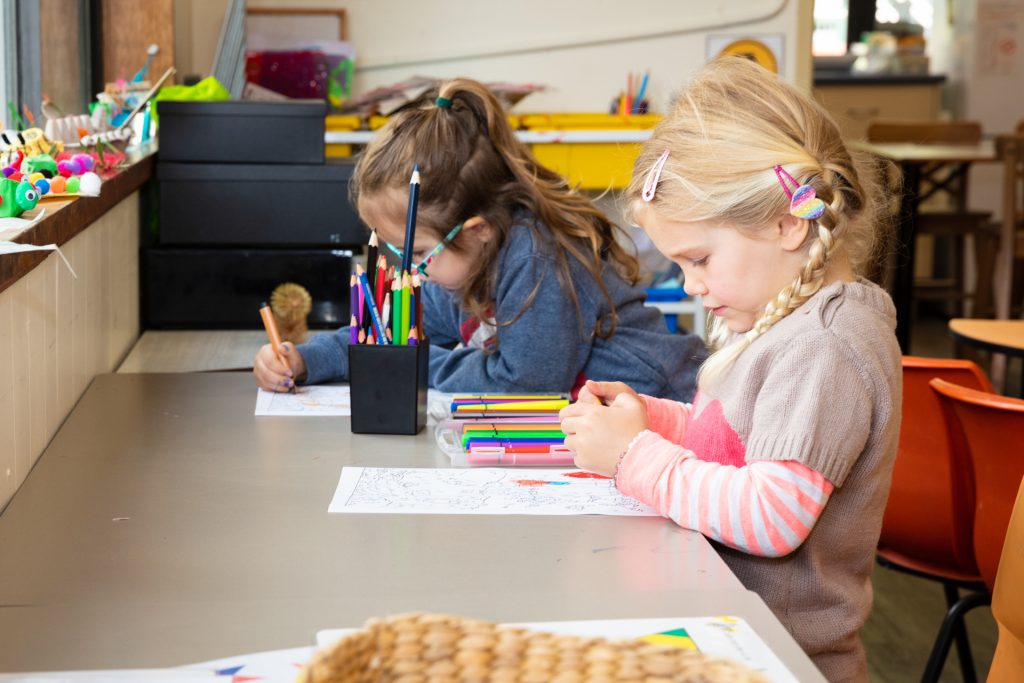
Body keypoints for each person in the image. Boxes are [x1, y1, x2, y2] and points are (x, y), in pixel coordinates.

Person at [559, 57, 900, 683]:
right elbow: (740, 444)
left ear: (786, 223)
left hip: (780, 658)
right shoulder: (783, 324)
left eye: (700, 259)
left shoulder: (823, 346)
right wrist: (654, 420)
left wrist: (634, 457)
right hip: (724, 630)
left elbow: (770, 517)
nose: (692, 287)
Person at [253, 78, 706, 400]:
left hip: (679, 412)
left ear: (476, 230)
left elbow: (526, 385)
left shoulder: (534, 259)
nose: (409, 270)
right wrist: (308, 359)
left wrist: (409, 366)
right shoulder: (463, 267)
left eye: (418, 253)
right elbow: (388, 333)